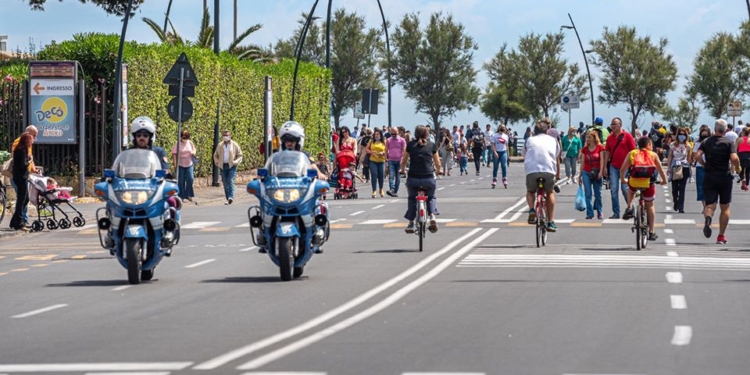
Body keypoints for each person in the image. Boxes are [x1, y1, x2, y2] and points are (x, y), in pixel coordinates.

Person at [694, 119, 740, 244]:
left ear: (715, 129)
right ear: (725, 130)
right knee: (725, 206)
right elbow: (734, 158)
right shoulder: (729, 143)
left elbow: (697, 155)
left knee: (710, 204)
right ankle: (721, 236)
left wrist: (704, 164)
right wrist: (737, 167)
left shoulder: (706, 141)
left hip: (709, 176)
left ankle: (708, 218)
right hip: (724, 177)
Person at [621, 137, 668, 241]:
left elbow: (622, 169)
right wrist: (664, 181)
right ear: (648, 145)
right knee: (650, 205)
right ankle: (651, 231)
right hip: (648, 182)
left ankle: (629, 206)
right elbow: (660, 171)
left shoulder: (632, 153)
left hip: (634, 181)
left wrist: (623, 179)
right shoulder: (653, 155)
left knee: (631, 190)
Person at [400, 125, 441, 234]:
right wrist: (438, 171)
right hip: (428, 178)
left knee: (412, 198)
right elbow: (437, 162)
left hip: (413, 179)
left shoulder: (410, 145)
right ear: (427, 134)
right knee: (431, 196)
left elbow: (403, 161)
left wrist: (402, 170)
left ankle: (411, 223)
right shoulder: (432, 145)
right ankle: (432, 216)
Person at [523, 119, 561, 232]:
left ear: (534, 131)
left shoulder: (529, 140)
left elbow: (524, 153)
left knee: (530, 191)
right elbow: (557, 154)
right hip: (548, 171)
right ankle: (550, 221)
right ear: (547, 131)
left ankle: (531, 210)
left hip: (532, 171)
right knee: (549, 192)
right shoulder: (553, 140)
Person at [603, 117, 636, 219]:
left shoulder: (627, 136)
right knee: (613, 189)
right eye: (612, 124)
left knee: (624, 188)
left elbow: (633, 151)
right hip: (613, 166)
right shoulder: (610, 138)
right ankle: (616, 213)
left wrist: (633, 164)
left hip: (625, 166)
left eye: (615, 124)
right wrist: (604, 166)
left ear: (620, 125)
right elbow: (607, 152)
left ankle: (630, 208)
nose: (612, 126)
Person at [9, 125, 40, 227]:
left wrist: (34, 169)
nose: (35, 138)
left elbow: (29, 159)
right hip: (20, 176)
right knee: (22, 199)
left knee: (24, 199)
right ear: (28, 134)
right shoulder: (20, 145)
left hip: (23, 175)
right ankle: (20, 220)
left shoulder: (26, 146)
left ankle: (17, 220)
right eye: (34, 135)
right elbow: (23, 162)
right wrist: (29, 161)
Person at [578, 130, 606, 220]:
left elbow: (602, 160)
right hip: (586, 172)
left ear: (594, 138)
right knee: (588, 194)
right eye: (587, 137)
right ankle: (589, 213)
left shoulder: (600, 147)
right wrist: (580, 175)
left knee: (598, 193)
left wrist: (601, 171)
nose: (588, 139)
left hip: (597, 172)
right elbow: (582, 163)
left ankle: (600, 211)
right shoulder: (584, 149)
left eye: (590, 137)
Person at [212, 129, 243, 205]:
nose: (225, 137)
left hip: (231, 165)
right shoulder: (220, 145)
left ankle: (231, 197)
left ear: (230, 136)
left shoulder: (234, 144)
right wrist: (216, 161)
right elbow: (215, 155)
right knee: (225, 183)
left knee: (231, 181)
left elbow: (240, 155)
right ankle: (227, 198)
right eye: (224, 135)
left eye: (227, 135)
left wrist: (236, 162)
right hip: (223, 166)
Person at [666, 127, 692, 213]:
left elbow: (688, 158)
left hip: (684, 167)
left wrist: (689, 168)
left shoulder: (688, 146)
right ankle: (675, 201)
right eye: (680, 134)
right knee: (674, 188)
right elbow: (670, 156)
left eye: (683, 134)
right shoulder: (673, 145)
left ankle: (681, 207)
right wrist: (669, 167)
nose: (682, 136)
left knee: (682, 188)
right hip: (675, 166)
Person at [171, 130, 197, 202]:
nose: (184, 139)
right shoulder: (177, 143)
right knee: (181, 181)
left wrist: (193, 153)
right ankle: (181, 196)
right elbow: (174, 153)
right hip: (180, 164)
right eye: (183, 137)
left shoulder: (190, 143)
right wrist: (175, 164)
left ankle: (188, 194)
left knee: (190, 179)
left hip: (189, 164)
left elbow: (194, 149)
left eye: (186, 137)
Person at [692, 125, 711, 205]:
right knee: (701, 186)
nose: (704, 136)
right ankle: (704, 205)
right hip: (700, 166)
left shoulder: (711, 142)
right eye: (703, 134)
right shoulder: (698, 143)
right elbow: (695, 154)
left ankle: (709, 203)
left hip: (711, 166)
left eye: (706, 134)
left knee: (710, 186)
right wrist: (702, 163)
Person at [366, 128, 387, 198]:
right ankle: (374, 190)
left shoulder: (384, 141)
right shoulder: (371, 141)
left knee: (381, 175)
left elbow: (388, 150)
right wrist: (371, 152)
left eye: (377, 134)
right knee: (374, 175)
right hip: (373, 160)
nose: (376, 136)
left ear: (380, 135)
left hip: (381, 161)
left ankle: (381, 189)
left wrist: (383, 152)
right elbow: (366, 149)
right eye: (375, 134)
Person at [386, 126, 407, 197]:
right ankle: (392, 189)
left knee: (398, 178)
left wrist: (403, 160)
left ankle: (395, 191)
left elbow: (404, 151)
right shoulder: (388, 140)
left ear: (398, 132)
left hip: (399, 161)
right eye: (392, 134)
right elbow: (386, 150)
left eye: (395, 134)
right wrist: (386, 159)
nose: (394, 135)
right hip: (391, 160)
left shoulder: (402, 140)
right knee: (391, 176)